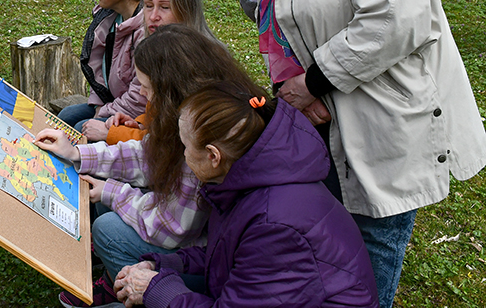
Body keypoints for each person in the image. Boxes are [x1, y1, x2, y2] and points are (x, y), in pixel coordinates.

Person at [228, 0, 486, 308]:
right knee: (333, 240)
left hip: (385, 114)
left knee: (373, 240)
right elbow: (280, 16)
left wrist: (314, 83)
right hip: (326, 114)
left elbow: (393, 22)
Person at [36, 24, 253, 307]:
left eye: (148, 89)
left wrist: (112, 192)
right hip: (207, 247)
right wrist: (79, 153)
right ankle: (125, 282)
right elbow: (147, 154)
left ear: (171, 87)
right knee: (108, 197)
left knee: (107, 229)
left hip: (205, 261)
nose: (147, 99)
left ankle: (134, 290)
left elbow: (173, 227)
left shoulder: (199, 139)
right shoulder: (192, 109)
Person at [113, 80, 378, 308]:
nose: (182, 155)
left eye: (185, 146)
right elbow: (226, 255)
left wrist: (155, 288)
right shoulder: (248, 181)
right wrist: (165, 265)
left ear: (213, 156)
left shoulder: (276, 227)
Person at [80, 0, 221, 144]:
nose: (153, 16)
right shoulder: (159, 49)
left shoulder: (194, 64)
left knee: (83, 130)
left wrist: (112, 134)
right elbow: (157, 116)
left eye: (164, 7)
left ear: (187, 9)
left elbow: (169, 142)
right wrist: (138, 123)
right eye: (147, 6)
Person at [57, 0, 162, 132]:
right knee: (65, 117)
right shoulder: (108, 18)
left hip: (136, 114)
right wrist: (99, 105)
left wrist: (102, 113)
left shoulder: (145, 34)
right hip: (112, 103)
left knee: (82, 127)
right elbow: (99, 71)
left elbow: (139, 99)